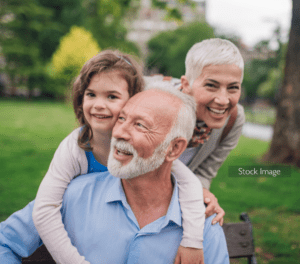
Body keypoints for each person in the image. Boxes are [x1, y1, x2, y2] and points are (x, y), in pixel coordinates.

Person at [0, 84, 229, 264]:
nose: (119, 132)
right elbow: (4, 243)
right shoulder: (74, 196)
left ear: (174, 149)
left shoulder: (203, 227)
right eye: (122, 118)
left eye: (140, 125)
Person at [31, 50, 205, 264]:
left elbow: (189, 183)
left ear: (134, 100)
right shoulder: (75, 146)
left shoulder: (148, 149)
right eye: (91, 94)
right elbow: (45, 208)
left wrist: (192, 241)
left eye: (111, 96)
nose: (98, 104)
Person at [146, 38, 245, 226]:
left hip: (171, 200)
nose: (223, 100)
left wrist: (202, 195)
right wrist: (192, 188)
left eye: (233, 87)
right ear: (186, 84)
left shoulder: (233, 119)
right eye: (211, 85)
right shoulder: (152, 101)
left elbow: (204, 172)